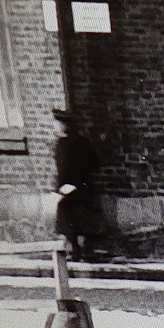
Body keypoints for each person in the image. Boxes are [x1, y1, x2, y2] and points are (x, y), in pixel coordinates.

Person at [53, 109, 106, 261]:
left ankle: (75, 249)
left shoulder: (63, 144)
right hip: (84, 187)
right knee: (83, 218)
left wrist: (60, 188)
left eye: (57, 124)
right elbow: (94, 163)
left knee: (68, 218)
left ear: (63, 125)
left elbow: (63, 168)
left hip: (69, 188)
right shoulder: (82, 141)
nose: (56, 127)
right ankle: (86, 249)